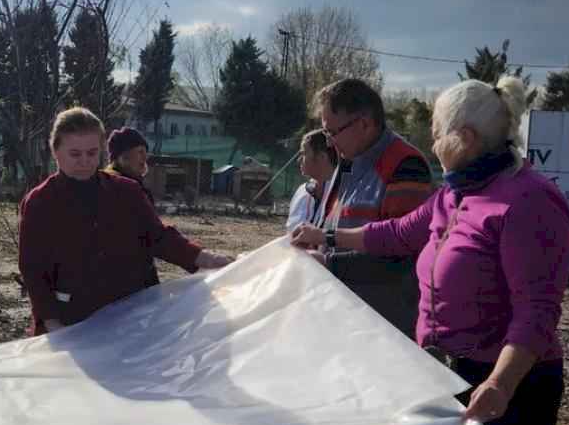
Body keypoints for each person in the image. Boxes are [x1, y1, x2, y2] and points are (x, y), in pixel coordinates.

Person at [296, 77, 569, 425]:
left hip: (503, 387)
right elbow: (398, 233)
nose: (432, 143)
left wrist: (501, 383)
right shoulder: (454, 194)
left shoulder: (528, 202)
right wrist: (327, 236)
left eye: (437, 133)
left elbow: (537, 310)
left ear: (466, 139)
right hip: (445, 371)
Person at [18, 107, 231, 335]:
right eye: (75, 154)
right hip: (73, 320)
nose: (84, 162)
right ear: (55, 151)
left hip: (134, 316)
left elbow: (158, 237)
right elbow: (33, 269)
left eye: (92, 153)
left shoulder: (126, 192)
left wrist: (204, 257)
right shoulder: (41, 202)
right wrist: (52, 323)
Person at [287, 78, 432, 338]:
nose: (329, 142)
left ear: (364, 124)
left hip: (384, 333)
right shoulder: (346, 162)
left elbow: (400, 258)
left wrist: (328, 263)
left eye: (332, 132)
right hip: (342, 326)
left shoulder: (405, 166)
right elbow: (330, 229)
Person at [284, 129, 338, 232]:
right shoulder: (302, 192)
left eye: (304, 153)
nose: (299, 160)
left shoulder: (343, 195)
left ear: (322, 157)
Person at [105, 127, 152, 202]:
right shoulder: (113, 188)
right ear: (122, 156)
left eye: (146, 152)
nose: (145, 157)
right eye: (140, 152)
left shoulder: (138, 187)